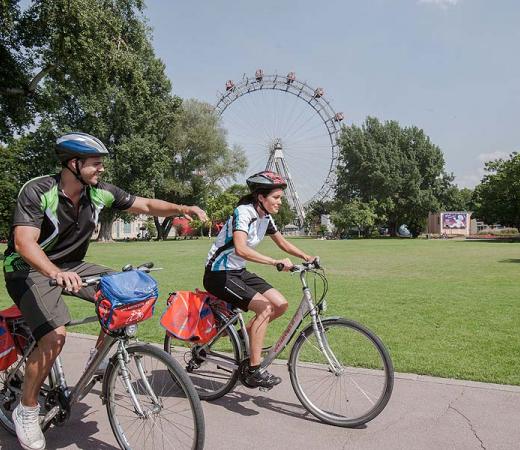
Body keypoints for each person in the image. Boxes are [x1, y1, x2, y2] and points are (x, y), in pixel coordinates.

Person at [3, 132, 207, 450]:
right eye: (96, 164)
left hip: (71, 265)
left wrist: (182, 208)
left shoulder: (98, 194)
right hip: (27, 270)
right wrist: (55, 273)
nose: (101, 169)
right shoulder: (38, 191)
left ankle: (98, 362)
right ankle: (26, 410)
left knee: (124, 292)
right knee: (55, 336)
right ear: (74, 163)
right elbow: (23, 243)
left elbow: (147, 204)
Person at [203, 170, 316, 389]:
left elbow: (282, 243)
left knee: (280, 304)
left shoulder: (266, 218)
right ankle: (254, 371)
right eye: (276, 197)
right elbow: (241, 248)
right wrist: (275, 262)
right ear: (261, 198)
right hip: (219, 273)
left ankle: (242, 339)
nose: (280, 202)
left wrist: (306, 256)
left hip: (237, 271)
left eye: (281, 197)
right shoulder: (243, 212)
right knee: (264, 308)